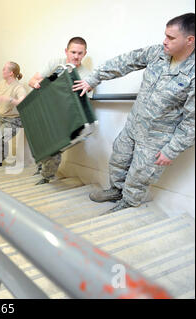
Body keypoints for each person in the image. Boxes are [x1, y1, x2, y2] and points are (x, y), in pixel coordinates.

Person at [72, 13, 195, 215]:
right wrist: (93, 78)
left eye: (171, 38)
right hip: (134, 125)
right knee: (118, 159)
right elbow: (124, 62)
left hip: (158, 138)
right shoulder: (158, 53)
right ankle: (116, 191)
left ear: (190, 40)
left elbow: (192, 122)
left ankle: (128, 205)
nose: (165, 41)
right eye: (165, 35)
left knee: (140, 175)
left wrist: (171, 150)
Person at [29, 37, 92, 184]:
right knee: (41, 142)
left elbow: (83, 102)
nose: (76, 56)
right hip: (46, 112)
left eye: (80, 53)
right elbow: (32, 80)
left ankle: (46, 177)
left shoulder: (87, 75)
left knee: (54, 149)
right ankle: (41, 167)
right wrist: (37, 84)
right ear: (66, 51)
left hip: (64, 118)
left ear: (85, 53)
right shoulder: (55, 63)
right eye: (73, 52)